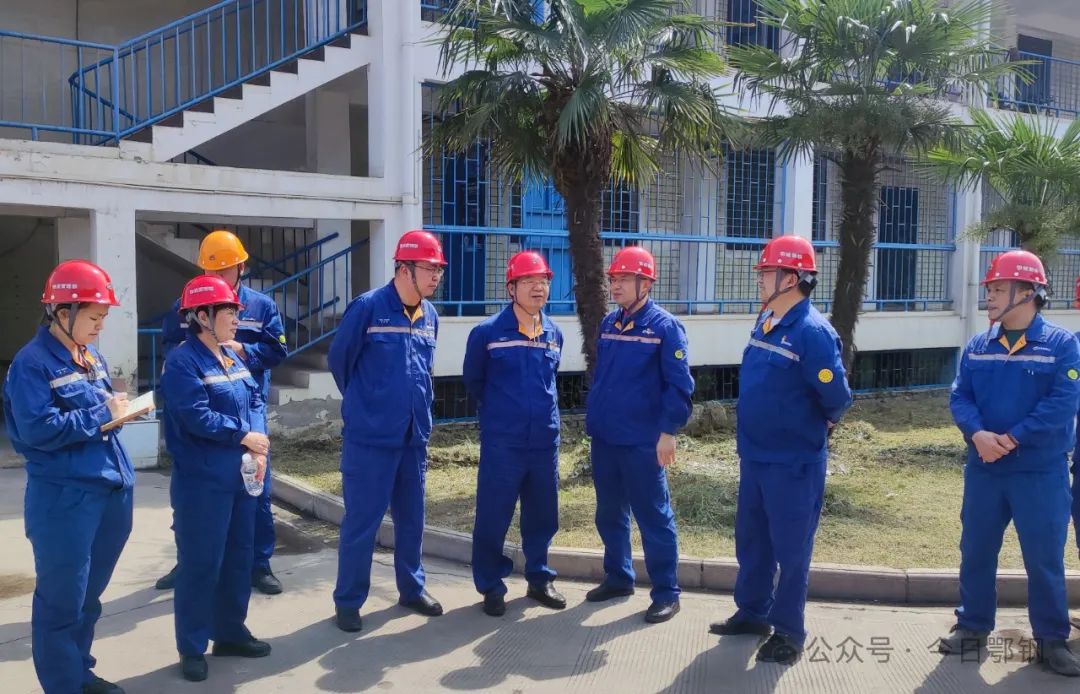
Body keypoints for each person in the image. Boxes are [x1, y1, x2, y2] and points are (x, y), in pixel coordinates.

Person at [709, 235, 852, 665]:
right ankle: (752, 613)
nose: (759, 279)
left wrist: (820, 423)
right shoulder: (767, 320)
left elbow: (836, 397)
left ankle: (789, 631)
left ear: (791, 278)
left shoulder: (812, 333)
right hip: (756, 455)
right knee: (752, 541)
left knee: (791, 550)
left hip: (793, 463)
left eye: (766, 272)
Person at [940, 250, 1080, 677]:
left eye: (999, 289)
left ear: (1028, 293)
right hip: (985, 467)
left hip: (1039, 471)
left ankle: (1052, 638)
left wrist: (1014, 437)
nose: (990, 297)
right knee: (976, 548)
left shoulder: (1061, 345)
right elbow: (960, 396)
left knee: (1043, 556)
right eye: (991, 289)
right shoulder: (979, 345)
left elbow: (1062, 403)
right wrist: (978, 434)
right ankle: (972, 625)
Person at [4, 260, 134, 694]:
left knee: (88, 598)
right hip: (65, 499)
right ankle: (63, 685)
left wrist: (118, 411)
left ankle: (80, 673)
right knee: (61, 601)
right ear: (63, 312)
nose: (100, 326)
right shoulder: (31, 364)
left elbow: (98, 413)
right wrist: (102, 414)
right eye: (94, 317)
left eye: (103, 317)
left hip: (109, 489)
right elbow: (36, 429)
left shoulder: (89, 355)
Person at [155, 229, 288, 595]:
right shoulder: (188, 303)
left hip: (247, 406)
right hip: (204, 405)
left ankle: (258, 565)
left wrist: (242, 352)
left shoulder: (261, 306)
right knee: (193, 494)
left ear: (241, 268)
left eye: (224, 270)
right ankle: (189, 561)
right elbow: (171, 346)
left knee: (255, 490)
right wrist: (197, 360)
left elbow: (277, 351)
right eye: (210, 271)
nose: (217, 277)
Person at [328, 230, 446, 632]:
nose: (436, 276)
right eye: (429, 268)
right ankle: (349, 601)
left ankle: (412, 589)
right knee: (362, 523)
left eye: (439, 269)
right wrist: (369, 404)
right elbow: (340, 362)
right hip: (370, 440)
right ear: (404, 269)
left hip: (413, 438)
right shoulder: (369, 308)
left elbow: (424, 372)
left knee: (412, 520)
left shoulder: (430, 316)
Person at [161, 274, 272, 682]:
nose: (236, 319)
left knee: (238, 557)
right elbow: (195, 415)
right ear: (202, 317)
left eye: (236, 312)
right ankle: (191, 646)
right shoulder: (182, 362)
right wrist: (243, 434)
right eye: (229, 312)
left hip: (240, 476)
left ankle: (229, 632)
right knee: (201, 564)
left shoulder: (231, 355)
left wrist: (257, 440)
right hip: (202, 482)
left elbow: (254, 397)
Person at [583, 245, 694, 624]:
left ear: (645, 283)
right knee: (609, 513)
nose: (614, 285)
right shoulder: (609, 323)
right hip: (606, 438)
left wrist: (668, 431)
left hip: (643, 442)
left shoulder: (665, 327)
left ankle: (666, 592)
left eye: (623, 279)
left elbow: (679, 385)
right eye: (613, 279)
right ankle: (618, 578)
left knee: (653, 516)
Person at [463, 250, 566, 617]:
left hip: (544, 442)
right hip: (503, 444)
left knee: (543, 516)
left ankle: (539, 578)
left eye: (544, 281)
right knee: (493, 517)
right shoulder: (487, 333)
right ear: (511, 288)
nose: (538, 288)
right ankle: (491, 585)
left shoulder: (554, 333)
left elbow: (550, 380)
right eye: (528, 281)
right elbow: (474, 381)